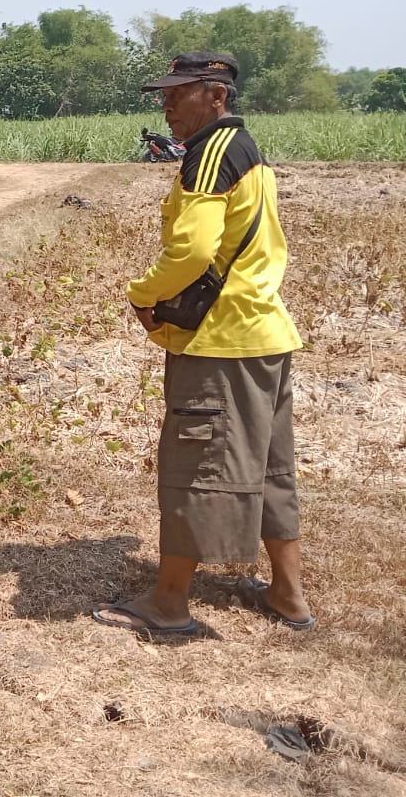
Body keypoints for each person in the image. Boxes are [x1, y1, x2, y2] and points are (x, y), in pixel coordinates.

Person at [94, 52, 313, 637]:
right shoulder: (248, 150)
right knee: (270, 467)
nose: (166, 104)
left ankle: (168, 602)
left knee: (195, 466)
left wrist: (141, 292)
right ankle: (288, 594)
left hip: (220, 343)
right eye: (164, 94)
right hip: (262, 333)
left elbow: (191, 252)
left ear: (216, 96)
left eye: (178, 93)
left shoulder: (210, 154)